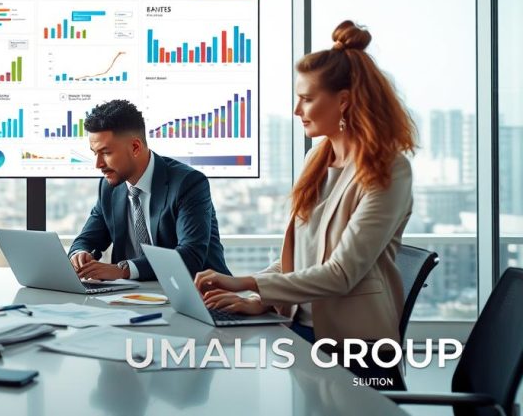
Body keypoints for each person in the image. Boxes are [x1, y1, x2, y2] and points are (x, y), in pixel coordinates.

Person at [194, 20, 416, 356]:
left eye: (307, 99)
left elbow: (341, 274)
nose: (297, 110)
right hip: (298, 329)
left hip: (354, 346)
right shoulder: (317, 158)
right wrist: (258, 298)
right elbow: (297, 259)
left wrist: (247, 283)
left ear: (343, 101)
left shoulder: (389, 170)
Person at [68, 99, 231, 281]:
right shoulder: (109, 187)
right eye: (94, 153)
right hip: (132, 298)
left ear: (135, 147)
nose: (98, 164)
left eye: (106, 153)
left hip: (202, 295)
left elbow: (190, 256)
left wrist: (124, 270)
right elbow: (87, 239)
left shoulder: (188, 183)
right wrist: (79, 254)